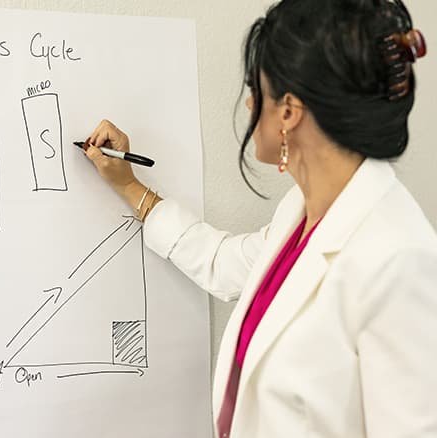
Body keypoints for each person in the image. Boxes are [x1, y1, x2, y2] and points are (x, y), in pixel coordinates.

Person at [82, 0, 435, 436]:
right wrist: (129, 186)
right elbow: (223, 263)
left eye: (256, 87)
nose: (249, 103)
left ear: (288, 112)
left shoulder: (399, 258)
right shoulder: (303, 210)